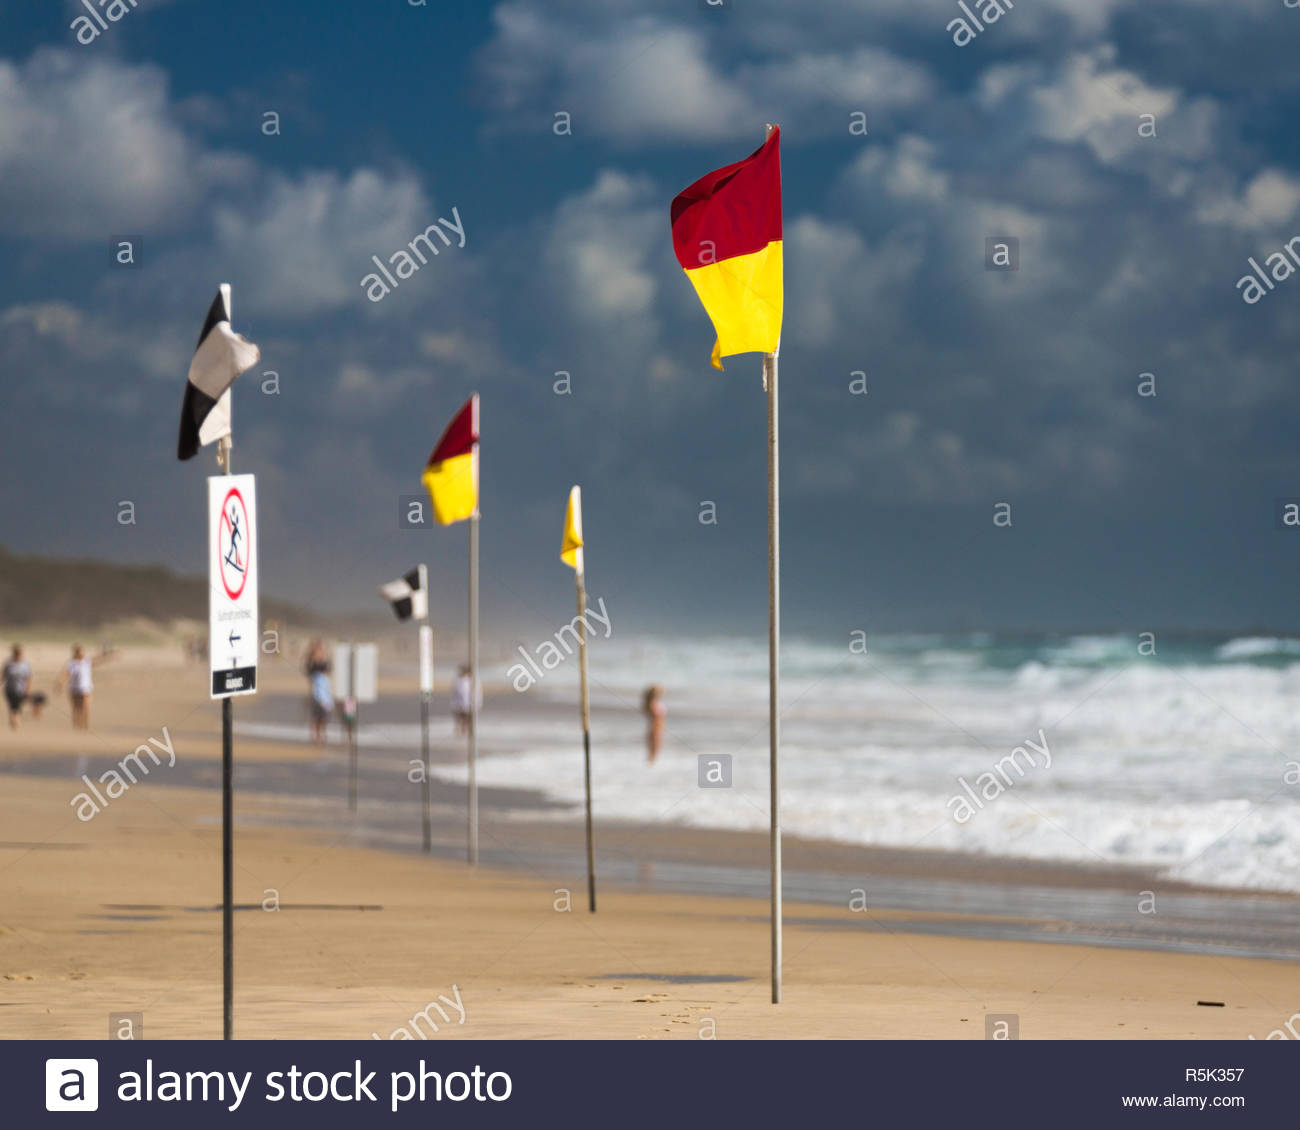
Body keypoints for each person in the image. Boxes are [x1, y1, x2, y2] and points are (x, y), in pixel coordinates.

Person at [55, 645, 105, 731]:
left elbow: (97, 660)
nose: (81, 654)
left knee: (85, 707)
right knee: (76, 708)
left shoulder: (86, 661)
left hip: (86, 688)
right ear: (75, 653)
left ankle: (85, 726)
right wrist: (60, 684)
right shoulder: (71, 663)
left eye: (82, 652)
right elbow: (66, 674)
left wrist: (109, 655)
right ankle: (77, 726)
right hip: (74, 688)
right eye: (79, 652)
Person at [304, 639, 333, 745]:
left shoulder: (325, 661)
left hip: (324, 691)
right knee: (315, 716)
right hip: (315, 692)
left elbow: (328, 671)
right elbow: (309, 671)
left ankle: (323, 735)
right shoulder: (311, 662)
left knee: (323, 716)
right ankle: (315, 736)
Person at [3, 644, 32, 730]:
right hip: (9, 689)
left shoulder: (25, 665)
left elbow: (28, 678)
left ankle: (15, 721)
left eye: (19, 653)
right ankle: (15, 723)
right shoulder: (8, 664)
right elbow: (3, 676)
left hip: (21, 689)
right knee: (12, 706)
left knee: (17, 706)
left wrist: (27, 689)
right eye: (16, 653)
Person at [451, 665, 480, 735]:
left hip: (467, 704)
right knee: (462, 719)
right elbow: (457, 693)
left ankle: (466, 731)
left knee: (467, 719)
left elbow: (477, 693)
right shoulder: (460, 681)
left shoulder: (470, 681)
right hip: (462, 704)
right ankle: (463, 731)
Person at [642, 684, 665, 763]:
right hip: (655, 728)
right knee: (654, 749)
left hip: (656, 728)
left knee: (655, 749)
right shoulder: (651, 704)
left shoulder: (652, 703)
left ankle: (651, 765)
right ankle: (651, 765)